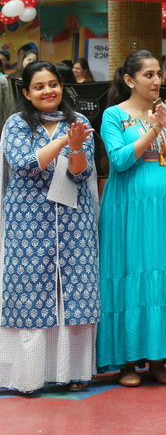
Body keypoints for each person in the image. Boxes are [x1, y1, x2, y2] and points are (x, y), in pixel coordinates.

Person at [96, 50, 166, 387]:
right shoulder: (113, 115)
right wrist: (155, 129)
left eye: (159, 74)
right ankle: (127, 362)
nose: (157, 81)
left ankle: (158, 361)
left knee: (163, 273)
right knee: (131, 273)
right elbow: (120, 159)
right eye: (149, 75)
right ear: (130, 80)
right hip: (128, 207)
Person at [0, 61, 99, 393]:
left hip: (74, 219)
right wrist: (61, 142)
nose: (48, 91)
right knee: (30, 291)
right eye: (39, 86)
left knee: (73, 290)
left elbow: (81, 173)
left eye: (53, 84)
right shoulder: (16, 125)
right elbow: (25, 164)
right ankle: (29, 377)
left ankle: (72, 372)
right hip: (28, 219)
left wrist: (74, 148)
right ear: (26, 93)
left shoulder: (80, 122)